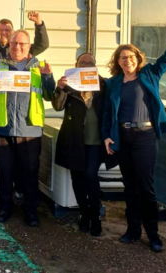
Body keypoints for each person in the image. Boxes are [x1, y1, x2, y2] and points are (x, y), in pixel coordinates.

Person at [102, 10, 166, 253]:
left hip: (145, 137)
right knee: (130, 186)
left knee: (146, 187)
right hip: (122, 138)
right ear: (118, 61)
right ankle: (132, 230)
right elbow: (107, 114)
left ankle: (153, 234)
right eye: (122, 58)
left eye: (130, 56)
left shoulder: (150, 75)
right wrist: (106, 135)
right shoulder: (112, 83)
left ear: (137, 58)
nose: (127, 61)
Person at [0, 12, 49, 200]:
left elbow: (43, 44)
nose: (5, 33)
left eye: (8, 30)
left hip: (21, 119)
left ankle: (20, 189)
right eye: (1, 30)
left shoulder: (26, 54)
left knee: (19, 160)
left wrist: (39, 24)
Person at [0, 29, 55, 226]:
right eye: (14, 43)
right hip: (3, 128)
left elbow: (50, 95)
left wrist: (48, 77)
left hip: (29, 129)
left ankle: (31, 210)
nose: (17, 47)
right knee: (5, 172)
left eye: (22, 44)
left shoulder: (39, 67)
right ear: (9, 45)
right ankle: (5, 207)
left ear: (29, 46)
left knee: (30, 172)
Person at [52, 53, 116, 236]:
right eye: (83, 63)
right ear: (76, 65)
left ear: (95, 66)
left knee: (90, 175)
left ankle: (95, 216)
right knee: (77, 178)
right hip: (74, 139)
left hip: (96, 140)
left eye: (90, 63)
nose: (87, 65)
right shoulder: (70, 83)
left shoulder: (104, 84)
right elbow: (57, 106)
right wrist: (61, 88)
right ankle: (84, 214)